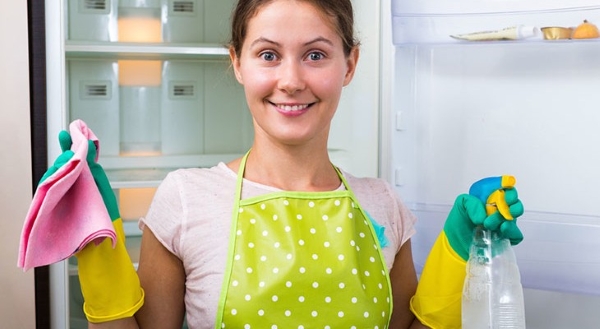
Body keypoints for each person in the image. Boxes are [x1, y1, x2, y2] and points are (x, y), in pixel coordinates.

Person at [57, 0, 524, 328]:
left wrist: (460, 246)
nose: (291, 80)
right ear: (237, 62)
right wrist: (98, 248)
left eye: (316, 55)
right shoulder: (185, 198)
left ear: (350, 64)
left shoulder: (383, 204)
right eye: (268, 55)